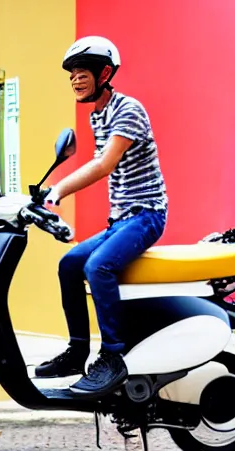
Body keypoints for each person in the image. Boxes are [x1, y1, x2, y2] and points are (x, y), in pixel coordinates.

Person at [35, 36, 168, 397]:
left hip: (147, 215)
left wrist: (58, 189)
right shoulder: (98, 114)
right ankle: (78, 351)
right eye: (72, 75)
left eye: (82, 73)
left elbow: (104, 164)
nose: (76, 80)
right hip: (121, 220)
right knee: (69, 264)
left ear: (104, 73)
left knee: (99, 267)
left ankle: (114, 356)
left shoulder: (128, 109)